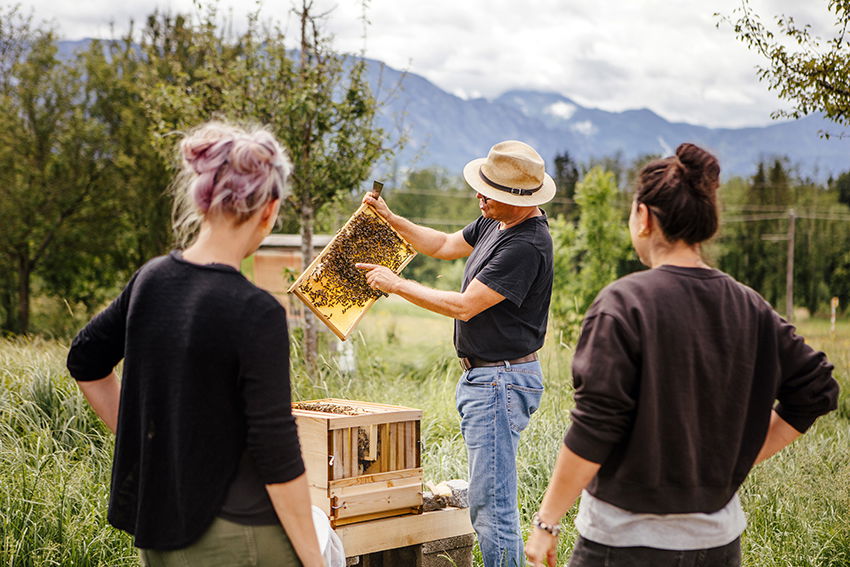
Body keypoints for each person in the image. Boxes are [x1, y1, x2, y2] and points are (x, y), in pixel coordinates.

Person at [524, 143, 840, 567]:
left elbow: (595, 427)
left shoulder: (623, 303)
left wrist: (546, 522)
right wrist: (737, 459)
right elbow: (817, 390)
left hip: (624, 545)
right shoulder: (749, 305)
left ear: (644, 217)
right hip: (717, 545)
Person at [67, 122, 324, 567]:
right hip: (239, 537)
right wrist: (315, 560)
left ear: (204, 198)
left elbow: (85, 361)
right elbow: (276, 452)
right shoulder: (256, 310)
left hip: (161, 527)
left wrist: (155, 448)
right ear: (270, 210)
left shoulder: (151, 280)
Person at [357, 140, 557, 567]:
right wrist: (392, 220)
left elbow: (464, 304)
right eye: (482, 187)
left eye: (490, 192)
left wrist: (396, 284)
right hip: (487, 380)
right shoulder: (496, 221)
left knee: (492, 506)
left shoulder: (526, 244)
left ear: (519, 199)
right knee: (489, 500)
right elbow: (444, 244)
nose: (479, 196)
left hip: (500, 381)